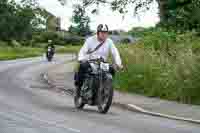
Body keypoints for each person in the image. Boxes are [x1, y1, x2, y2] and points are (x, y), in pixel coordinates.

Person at [74, 24, 123, 88]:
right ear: (98, 33)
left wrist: (118, 63)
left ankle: (107, 87)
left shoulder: (109, 41)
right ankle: (79, 87)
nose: (104, 34)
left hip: (102, 63)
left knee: (112, 69)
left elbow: (115, 53)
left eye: (105, 33)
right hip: (90, 62)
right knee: (83, 66)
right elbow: (83, 50)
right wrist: (81, 59)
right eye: (102, 32)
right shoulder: (90, 40)